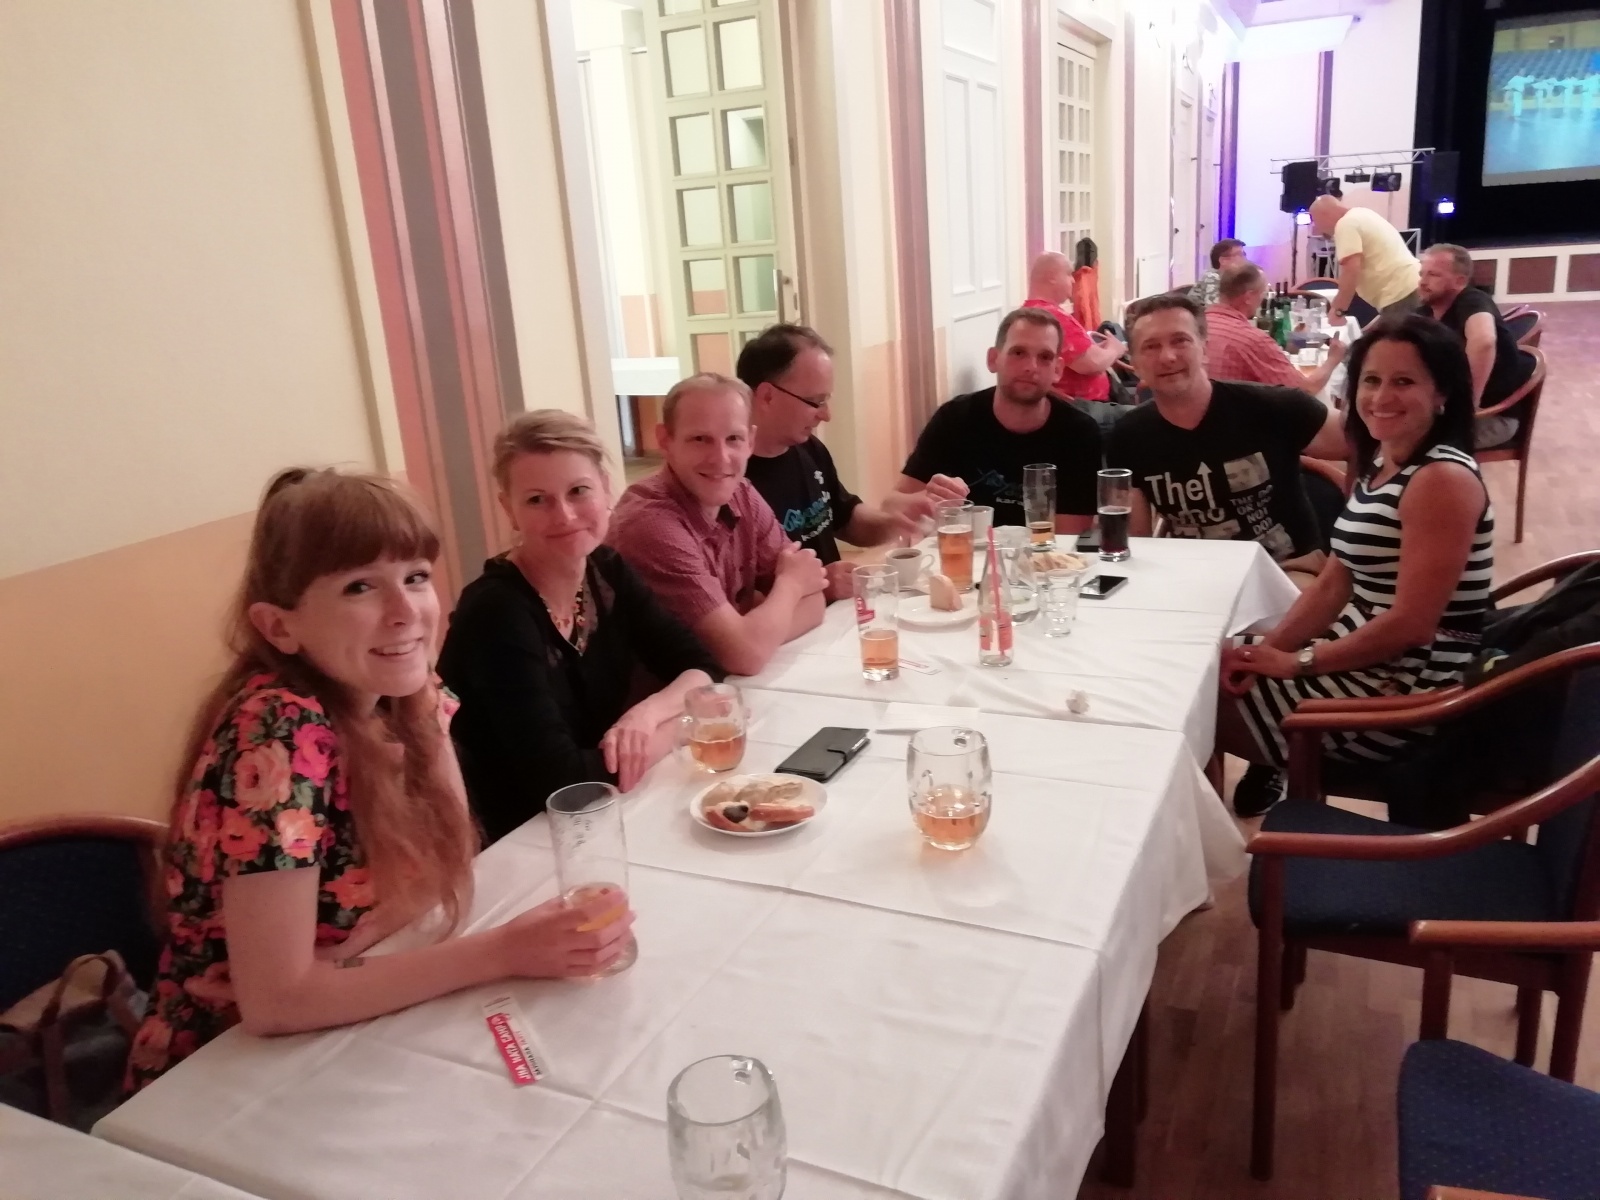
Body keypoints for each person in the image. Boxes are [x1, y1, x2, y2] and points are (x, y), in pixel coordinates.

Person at [126, 469, 636, 1091]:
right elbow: (276, 1003)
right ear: (280, 626)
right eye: (360, 587)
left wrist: (345, 952)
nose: (405, 613)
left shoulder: (405, 690)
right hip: (229, 1072)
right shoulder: (279, 732)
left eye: (416, 577)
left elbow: (451, 859)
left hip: (358, 1003)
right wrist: (504, 951)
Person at [1216, 315, 1494, 817]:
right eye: (1371, 380)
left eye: (1403, 381)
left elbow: (1412, 625)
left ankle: (1191, 843)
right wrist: (1271, 650)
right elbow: (1335, 582)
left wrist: (1295, 662)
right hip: (1361, 658)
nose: (1381, 397)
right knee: (1206, 668)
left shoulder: (1441, 479)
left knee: (1192, 704)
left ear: (1442, 393)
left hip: (1404, 692)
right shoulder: (1385, 461)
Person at [438, 412, 723, 844]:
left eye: (578, 491)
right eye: (537, 500)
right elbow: (564, 782)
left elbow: (700, 664)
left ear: (605, 488)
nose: (565, 515)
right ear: (509, 510)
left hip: (594, 819)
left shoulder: (605, 571)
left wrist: (645, 716)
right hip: (510, 841)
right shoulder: (496, 613)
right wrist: (685, 726)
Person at [1105, 294, 1346, 587]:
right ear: (1135, 363)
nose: (1167, 356)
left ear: (1205, 349)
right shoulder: (1129, 435)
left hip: (1287, 570)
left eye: (1180, 341)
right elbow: (1135, 542)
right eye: (1151, 346)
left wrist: (1360, 530)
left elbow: (1365, 440)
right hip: (1191, 575)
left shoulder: (1273, 407)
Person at [607, 373, 827, 676]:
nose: (721, 459)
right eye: (700, 439)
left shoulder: (742, 493)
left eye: (733, 439)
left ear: (750, 441)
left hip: (721, 690)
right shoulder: (648, 524)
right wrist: (790, 586)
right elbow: (745, 655)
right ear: (665, 441)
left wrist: (758, 632)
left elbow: (815, 601)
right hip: (662, 701)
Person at [738, 324, 965, 602]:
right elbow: (741, 601)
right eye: (815, 401)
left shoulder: (808, 449)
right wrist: (818, 586)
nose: (826, 415)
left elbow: (846, 519)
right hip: (794, 624)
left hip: (834, 614)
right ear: (767, 396)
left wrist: (895, 522)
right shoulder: (731, 480)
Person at [898, 307, 1101, 532]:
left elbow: (1067, 537)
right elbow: (892, 505)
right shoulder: (954, 418)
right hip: (964, 550)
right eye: (1018, 353)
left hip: (1043, 553)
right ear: (993, 359)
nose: (1031, 367)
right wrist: (926, 499)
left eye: (1045, 357)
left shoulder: (1079, 433)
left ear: (1057, 370)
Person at [1417, 243, 1534, 450]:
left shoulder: (1472, 300)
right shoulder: (1427, 311)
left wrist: (1466, 407)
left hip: (1492, 418)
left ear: (1460, 281)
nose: (1423, 282)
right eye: (1421, 274)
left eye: (1433, 275)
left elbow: (1484, 342)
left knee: (1403, 441)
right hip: (1441, 409)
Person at [1205, 262, 1346, 397]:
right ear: (1248, 297)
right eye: (1263, 293)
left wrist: (1290, 344)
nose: (1263, 299)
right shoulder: (1252, 339)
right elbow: (1304, 392)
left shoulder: (1198, 325)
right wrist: (1333, 359)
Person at [1022, 251, 1128, 409]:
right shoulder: (1052, 318)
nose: (1073, 280)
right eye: (1068, 274)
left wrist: (1098, 350)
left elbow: (1077, 357)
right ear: (1052, 277)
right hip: (1086, 408)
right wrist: (1115, 349)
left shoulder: (1028, 313)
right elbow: (1092, 364)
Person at [1309, 195, 1421, 322]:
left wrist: (1338, 310)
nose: (1318, 229)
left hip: (1399, 292)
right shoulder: (1363, 213)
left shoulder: (1345, 224)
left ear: (1325, 215)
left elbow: (1351, 270)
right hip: (1409, 285)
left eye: (1316, 222)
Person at [1188, 238, 1248, 309]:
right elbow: (1215, 310)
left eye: (1244, 254)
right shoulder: (1213, 277)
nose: (1244, 258)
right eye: (1240, 254)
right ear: (1223, 261)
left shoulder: (1235, 280)